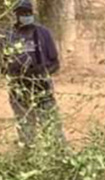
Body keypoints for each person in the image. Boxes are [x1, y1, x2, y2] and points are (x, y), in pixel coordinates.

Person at [0, 0, 63, 145]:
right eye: (22, 13)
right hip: (19, 90)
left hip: (42, 89)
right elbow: (2, 66)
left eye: (28, 13)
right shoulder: (7, 36)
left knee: (53, 129)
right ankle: (28, 157)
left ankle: (59, 157)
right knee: (26, 131)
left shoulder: (42, 33)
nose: (26, 16)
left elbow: (55, 63)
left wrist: (42, 73)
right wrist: (16, 74)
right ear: (15, 15)